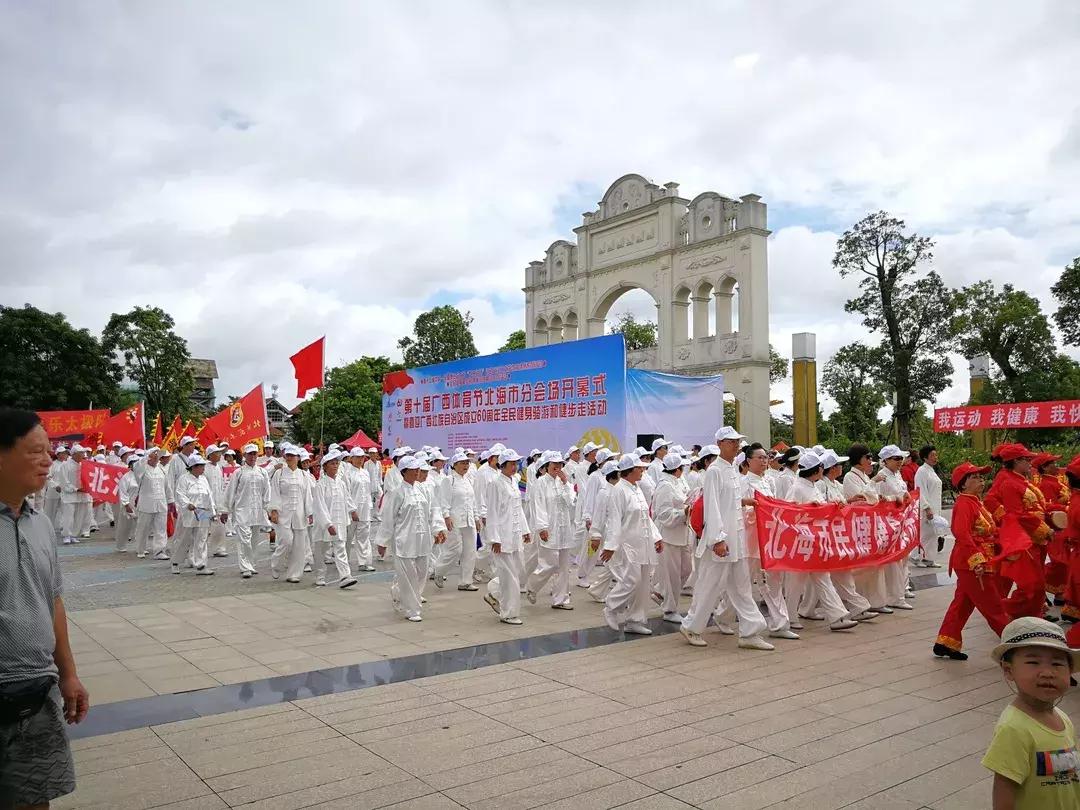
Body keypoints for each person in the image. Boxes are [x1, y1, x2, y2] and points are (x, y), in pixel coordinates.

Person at [0, 408, 89, 806]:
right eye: (36, 451)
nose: (48, 460)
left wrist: (68, 673)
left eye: (49, 451)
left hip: (36, 689)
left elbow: (52, 597)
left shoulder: (40, 524)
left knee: (36, 797)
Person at [680, 430, 774, 651]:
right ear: (720, 443)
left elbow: (727, 501)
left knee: (741, 588)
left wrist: (744, 501)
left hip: (737, 539)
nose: (736, 445)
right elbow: (712, 507)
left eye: (737, 441)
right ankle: (691, 626)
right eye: (731, 441)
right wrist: (718, 539)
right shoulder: (714, 471)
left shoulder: (731, 469)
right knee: (709, 585)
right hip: (721, 542)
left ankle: (750, 632)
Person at [981, 617, 1079, 809]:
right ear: (1008, 670)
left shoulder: (1063, 717)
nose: (1047, 673)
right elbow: (1004, 795)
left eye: (1057, 664)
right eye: (1033, 662)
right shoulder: (1014, 728)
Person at [933, 461, 1009, 660]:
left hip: (977, 561)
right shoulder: (964, 503)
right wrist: (977, 561)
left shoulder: (976, 502)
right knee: (994, 606)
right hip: (973, 564)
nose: (980, 480)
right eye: (974, 477)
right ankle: (1015, 645)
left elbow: (989, 531)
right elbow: (961, 534)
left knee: (963, 603)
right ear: (963, 484)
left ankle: (946, 641)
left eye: (981, 476)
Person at [783, 450, 860, 632]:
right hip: (801, 543)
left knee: (822, 578)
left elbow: (820, 508)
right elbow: (789, 512)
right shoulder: (797, 488)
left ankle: (837, 616)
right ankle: (790, 617)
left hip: (816, 542)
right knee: (795, 583)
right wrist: (809, 509)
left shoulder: (812, 486)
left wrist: (833, 506)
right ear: (816, 470)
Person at [740, 444, 798, 639]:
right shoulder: (744, 483)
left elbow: (776, 506)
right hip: (751, 540)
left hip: (769, 539)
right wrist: (756, 512)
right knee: (742, 582)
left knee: (772, 580)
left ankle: (780, 624)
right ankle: (723, 615)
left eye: (766, 458)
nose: (764, 461)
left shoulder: (769, 481)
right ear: (748, 461)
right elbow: (740, 512)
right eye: (760, 458)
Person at [600, 454, 662, 634]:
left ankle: (635, 620)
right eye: (639, 468)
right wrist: (610, 546)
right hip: (628, 544)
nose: (642, 471)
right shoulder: (619, 490)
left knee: (643, 583)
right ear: (629, 470)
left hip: (643, 542)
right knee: (631, 580)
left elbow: (646, 517)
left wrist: (656, 536)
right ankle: (611, 607)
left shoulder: (637, 488)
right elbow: (614, 520)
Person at [377, 456, 444, 620]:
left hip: (423, 539)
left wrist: (438, 528)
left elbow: (433, 509)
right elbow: (388, 519)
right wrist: (382, 541)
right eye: (414, 469)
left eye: (418, 469)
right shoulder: (396, 493)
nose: (417, 472)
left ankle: (399, 593)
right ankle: (412, 610)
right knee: (408, 576)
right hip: (404, 540)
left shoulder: (422, 490)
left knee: (422, 573)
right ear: (404, 472)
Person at [483, 450, 530, 625]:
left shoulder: (513, 481)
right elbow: (492, 511)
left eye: (516, 463)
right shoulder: (496, 483)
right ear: (502, 465)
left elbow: (518, 508)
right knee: (509, 576)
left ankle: (494, 591)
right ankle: (508, 613)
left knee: (517, 572)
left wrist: (525, 530)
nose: (514, 466)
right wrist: (494, 538)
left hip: (515, 534)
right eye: (511, 464)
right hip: (502, 536)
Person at [843, 443, 891, 615]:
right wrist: (873, 483)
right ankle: (859, 602)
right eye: (868, 457)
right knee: (861, 566)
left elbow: (872, 498)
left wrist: (880, 497)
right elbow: (863, 499)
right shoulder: (850, 477)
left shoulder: (863, 476)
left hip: (870, 525)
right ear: (859, 460)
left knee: (876, 564)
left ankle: (876, 600)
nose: (871, 461)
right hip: (859, 526)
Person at [526, 451, 577, 610]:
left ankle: (560, 599)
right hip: (549, 529)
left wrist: (565, 482)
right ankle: (532, 586)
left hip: (564, 529)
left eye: (560, 464)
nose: (558, 467)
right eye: (554, 464)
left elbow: (571, 502)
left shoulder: (563, 482)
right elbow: (538, 506)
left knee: (563, 567)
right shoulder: (541, 483)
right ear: (546, 466)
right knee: (549, 564)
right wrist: (542, 527)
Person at [651, 452, 693, 624]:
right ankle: (670, 609)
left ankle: (661, 592)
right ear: (677, 469)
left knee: (686, 570)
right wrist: (684, 512)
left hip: (681, 534)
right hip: (668, 536)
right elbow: (663, 514)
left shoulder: (675, 483)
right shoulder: (664, 486)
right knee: (672, 575)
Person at [311, 449, 359, 589]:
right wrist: (327, 524)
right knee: (321, 549)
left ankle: (345, 576)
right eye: (332, 463)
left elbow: (347, 498)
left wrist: (353, 510)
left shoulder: (341, 483)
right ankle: (320, 575)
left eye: (337, 463)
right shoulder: (320, 485)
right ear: (325, 466)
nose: (335, 466)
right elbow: (319, 506)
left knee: (340, 548)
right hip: (324, 524)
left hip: (340, 521)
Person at [432, 451, 480, 591]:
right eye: (462, 463)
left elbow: (473, 501)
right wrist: (446, 517)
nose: (466, 466)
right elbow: (444, 501)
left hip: (469, 520)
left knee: (470, 551)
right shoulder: (449, 480)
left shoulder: (468, 480)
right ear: (454, 465)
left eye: (467, 463)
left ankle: (465, 581)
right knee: (455, 550)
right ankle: (439, 571)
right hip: (455, 520)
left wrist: (476, 518)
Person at [222, 443, 272, 578]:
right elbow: (230, 491)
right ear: (244, 456)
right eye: (250, 454)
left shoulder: (262, 472)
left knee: (254, 540)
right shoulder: (239, 473)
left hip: (257, 511)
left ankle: (251, 563)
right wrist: (225, 510)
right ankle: (245, 567)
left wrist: (268, 509)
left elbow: (267, 492)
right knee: (244, 539)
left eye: (255, 454)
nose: (252, 456)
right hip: (242, 511)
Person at [876, 444, 916, 610]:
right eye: (896, 458)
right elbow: (878, 499)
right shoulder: (882, 476)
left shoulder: (897, 474)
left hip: (901, 521)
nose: (900, 461)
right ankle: (895, 597)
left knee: (902, 557)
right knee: (892, 560)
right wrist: (896, 498)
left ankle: (901, 590)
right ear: (885, 460)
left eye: (901, 458)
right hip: (888, 523)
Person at [267, 445, 314, 583]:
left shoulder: (304, 475)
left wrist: (310, 512)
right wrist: (274, 510)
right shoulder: (279, 473)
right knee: (286, 541)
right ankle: (276, 564)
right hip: (284, 513)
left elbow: (307, 495)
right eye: (288, 455)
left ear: (298, 458)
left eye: (293, 456)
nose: (290, 458)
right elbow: (274, 492)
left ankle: (294, 573)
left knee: (299, 545)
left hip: (299, 513)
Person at [171, 454, 216, 576]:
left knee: (202, 538)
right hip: (189, 513)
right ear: (194, 467)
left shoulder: (204, 479)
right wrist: (187, 504)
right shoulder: (184, 479)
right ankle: (175, 562)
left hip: (203, 512)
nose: (203, 468)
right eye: (201, 466)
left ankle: (201, 565)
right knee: (184, 539)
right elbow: (180, 494)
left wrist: (213, 512)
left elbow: (209, 496)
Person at [133, 447, 173, 559]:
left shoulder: (161, 469)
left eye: (157, 455)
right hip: (146, 503)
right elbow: (137, 466)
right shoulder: (142, 469)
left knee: (161, 529)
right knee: (143, 528)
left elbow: (167, 487)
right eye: (154, 455)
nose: (156, 457)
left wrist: (171, 501)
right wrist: (147, 455)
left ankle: (159, 551)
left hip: (161, 503)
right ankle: (140, 549)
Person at [57, 444, 92, 545]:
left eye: (83, 453)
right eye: (81, 453)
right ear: (74, 454)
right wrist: (76, 489)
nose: (83, 455)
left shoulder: (84, 465)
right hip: (70, 496)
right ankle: (66, 535)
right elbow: (64, 481)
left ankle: (74, 535)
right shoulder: (65, 465)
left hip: (82, 496)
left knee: (79, 516)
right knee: (68, 516)